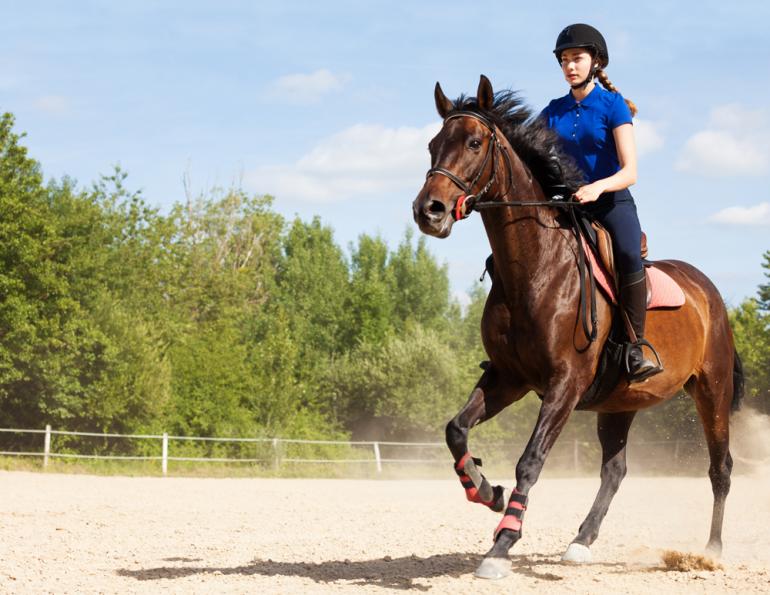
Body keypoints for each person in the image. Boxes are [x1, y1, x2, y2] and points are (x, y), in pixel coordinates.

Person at [540, 23, 662, 382]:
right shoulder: (552, 111)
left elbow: (630, 172)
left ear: (595, 62)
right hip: (569, 205)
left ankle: (635, 346)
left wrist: (597, 188)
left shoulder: (613, 106)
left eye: (576, 58)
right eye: (564, 60)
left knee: (626, 254)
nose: (569, 66)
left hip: (611, 203)